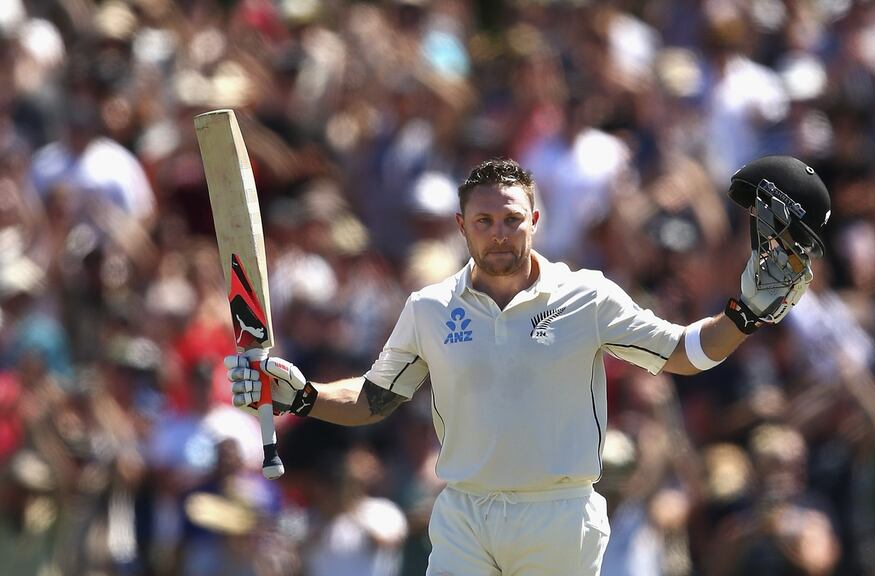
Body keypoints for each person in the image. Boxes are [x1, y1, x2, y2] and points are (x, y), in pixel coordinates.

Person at [225, 157, 830, 575]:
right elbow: (373, 398)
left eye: (512, 219)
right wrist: (301, 396)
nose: (499, 235)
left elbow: (684, 353)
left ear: (534, 221)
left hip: (559, 514)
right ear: (462, 226)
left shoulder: (587, 296)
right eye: (484, 222)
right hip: (465, 509)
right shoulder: (429, 308)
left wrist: (744, 316)